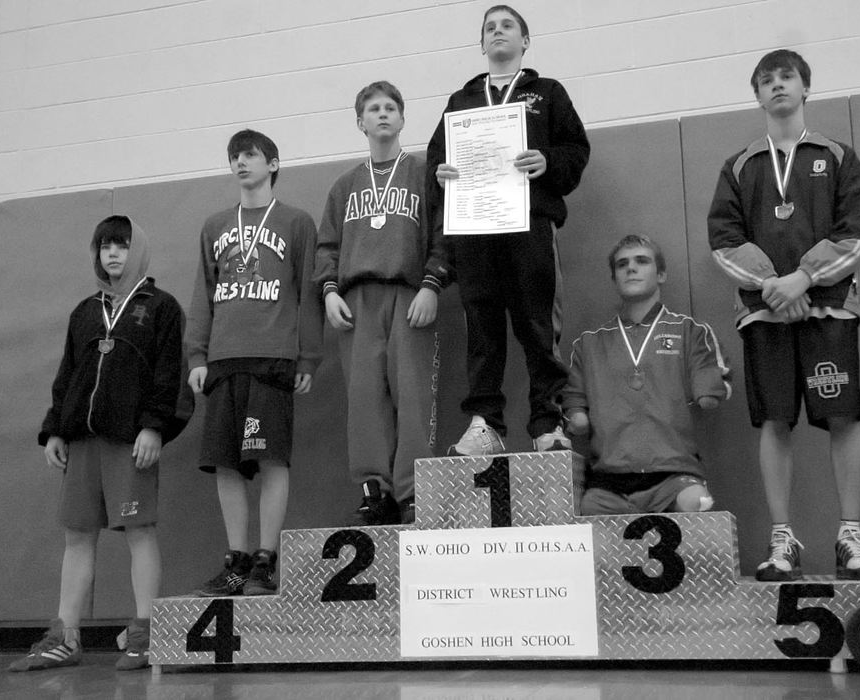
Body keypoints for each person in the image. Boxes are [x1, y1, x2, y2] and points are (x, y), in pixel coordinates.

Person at [707, 49, 860, 581]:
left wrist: (804, 278)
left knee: (842, 416)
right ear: (756, 95)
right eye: (766, 80)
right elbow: (722, 242)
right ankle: (782, 539)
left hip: (830, 307)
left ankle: (851, 535)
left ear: (805, 88)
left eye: (786, 77)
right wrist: (773, 286)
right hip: (765, 314)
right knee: (775, 420)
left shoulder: (837, 157)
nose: (777, 86)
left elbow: (855, 235)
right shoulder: (739, 166)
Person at [10, 215, 188, 672]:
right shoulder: (85, 311)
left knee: (139, 531)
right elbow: (67, 376)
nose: (112, 254)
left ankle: (146, 630)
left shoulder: (161, 307)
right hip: (82, 440)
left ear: (139, 250)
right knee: (77, 535)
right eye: (105, 246)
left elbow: (169, 376)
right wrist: (54, 428)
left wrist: (153, 426)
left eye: (122, 246)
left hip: (130, 440)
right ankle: (66, 636)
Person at [426, 4, 590, 455]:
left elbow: (576, 150)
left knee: (538, 325)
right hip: (475, 231)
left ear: (524, 42)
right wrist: (442, 174)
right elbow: (435, 159)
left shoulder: (548, 93)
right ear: (482, 44)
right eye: (489, 28)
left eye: (507, 26)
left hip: (530, 226)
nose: (498, 32)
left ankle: (546, 422)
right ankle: (486, 424)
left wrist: (548, 161)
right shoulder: (461, 102)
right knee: (482, 327)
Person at [188, 129, 322, 596]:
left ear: (273, 163)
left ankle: (266, 560)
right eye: (234, 157)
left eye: (250, 155)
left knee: (270, 458)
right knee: (225, 465)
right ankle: (237, 560)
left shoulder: (297, 223)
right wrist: (197, 354)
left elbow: (307, 294)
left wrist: (308, 356)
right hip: (223, 358)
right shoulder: (215, 226)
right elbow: (203, 295)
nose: (241, 163)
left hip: (273, 357)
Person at [316, 81, 449, 525]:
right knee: (365, 398)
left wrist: (432, 284)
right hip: (356, 300)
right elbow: (327, 247)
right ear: (361, 122)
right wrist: (329, 290)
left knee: (412, 394)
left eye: (391, 107)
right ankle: (375, 490)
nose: (383, 114)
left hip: (411, 293)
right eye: (373, 109)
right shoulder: (344, 186)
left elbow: (443, 232)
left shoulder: (424, 174)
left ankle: (413, 491)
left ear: (403, 119)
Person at [564, 236, 730, 515]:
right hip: (607, 484)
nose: (631, 269)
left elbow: (713, 390)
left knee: (697, 504)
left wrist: (708, 390)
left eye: (642, 261)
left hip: (674, 477)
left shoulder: (691, 333)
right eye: (622, 264)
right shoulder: (588, 344)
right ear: (614, 278)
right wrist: (575, 418)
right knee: (585, 518)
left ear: (661, 274)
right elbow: (573, 406)